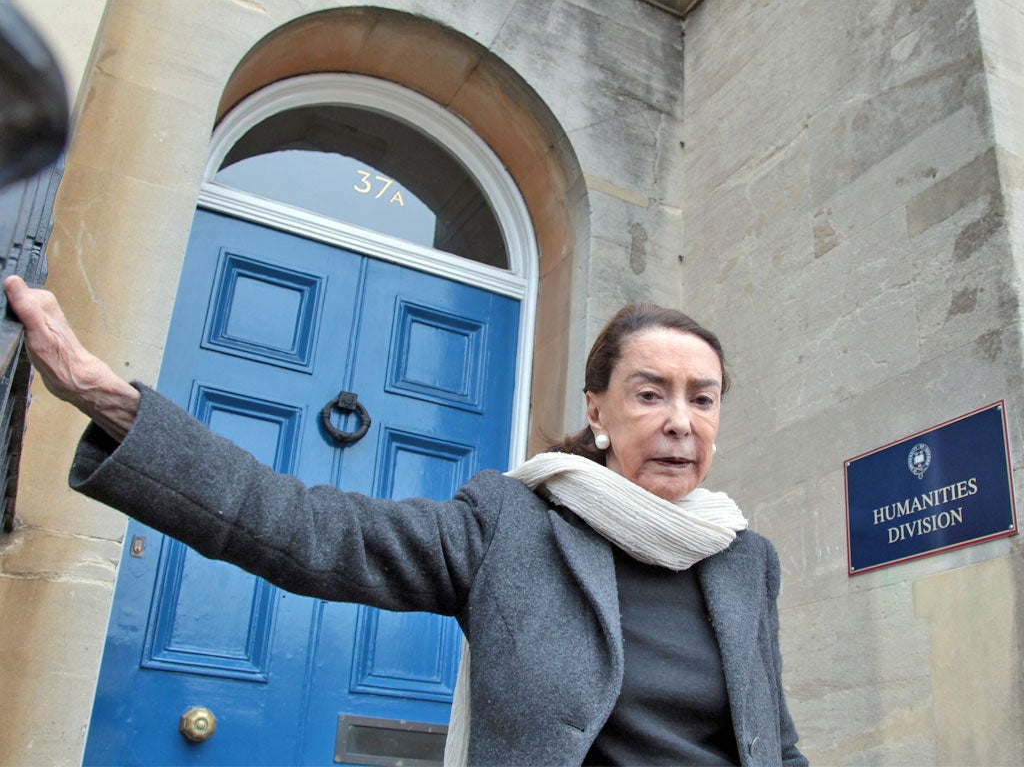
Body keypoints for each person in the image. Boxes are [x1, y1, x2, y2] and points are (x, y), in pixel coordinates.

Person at [4, 274, 807, 767]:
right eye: (650, 392)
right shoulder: (513, 526)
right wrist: (106, 401)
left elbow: (776, 743)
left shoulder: (744, 559)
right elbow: (305, 531)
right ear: (596, 410)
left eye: (703, 399)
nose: (680, 421)